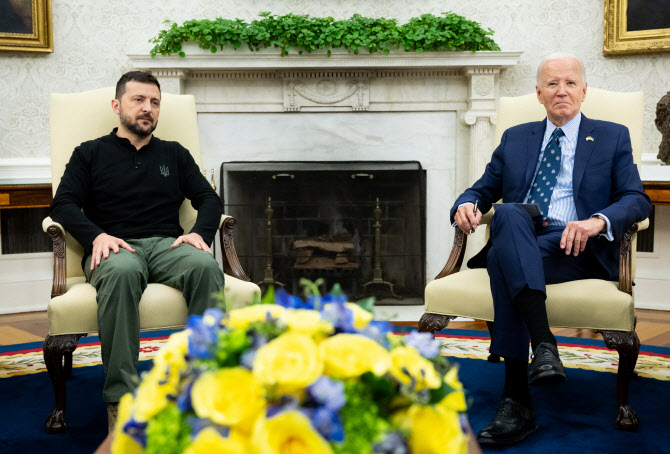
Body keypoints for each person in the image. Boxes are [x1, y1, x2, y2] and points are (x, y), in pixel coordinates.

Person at [450, 53, 651, 446]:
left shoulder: (612, 135)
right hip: (521, 234)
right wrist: (465, 203)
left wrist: (597, 221)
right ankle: (543, 345)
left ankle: (516, 400)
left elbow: (636, 199)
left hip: (575, 247)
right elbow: (481, 190)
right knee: (508, 215)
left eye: (570, 83)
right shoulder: (516, 138)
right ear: (539, 93)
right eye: (553, 84)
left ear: (584, 90)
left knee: (505, 253)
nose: (562, 91)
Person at [49, 71, 225, 429]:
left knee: (206, 267)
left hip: (167, 245)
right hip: (114, 247)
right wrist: (96, 236)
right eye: (138, 100)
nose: (148, 109)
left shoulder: (174, 154)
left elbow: (208, 197)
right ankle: (121, 397)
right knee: (124, 271)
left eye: (155, 102)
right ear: (117, 106)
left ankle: (202, 387)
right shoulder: (90, 153)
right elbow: (63, 203)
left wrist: (200, 234)